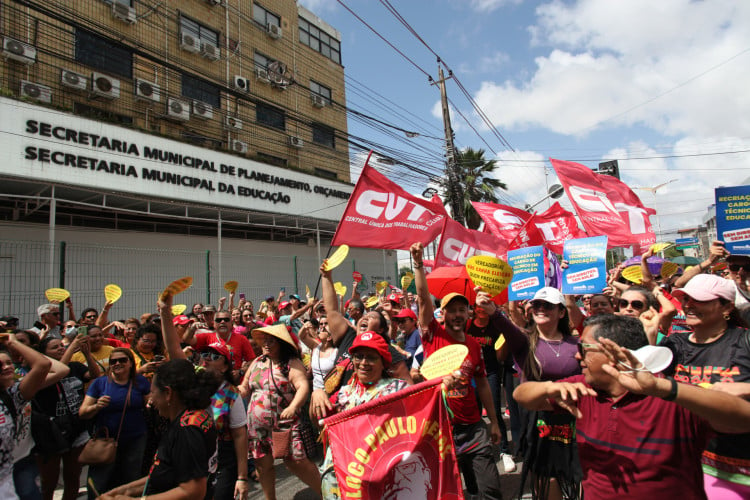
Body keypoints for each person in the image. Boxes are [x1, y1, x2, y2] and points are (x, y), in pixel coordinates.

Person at [514, 313, 750, 500]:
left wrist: (665, 389)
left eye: (583, 349)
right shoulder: (582, 388)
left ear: (615, 353)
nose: (577, 357)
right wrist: (547, 388)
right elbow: (522, 395)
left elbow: (742, 418)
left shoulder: (672, 398)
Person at [410, 242, 504, 500]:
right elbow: (421, 297)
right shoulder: (432, 334)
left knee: (489, 490)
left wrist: (494, 422)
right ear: (443, 314)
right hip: (440, 427)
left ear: (469, 313)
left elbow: (483, 384)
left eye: (462, 309)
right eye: (451, 310)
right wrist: (418, 264)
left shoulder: (474, 345)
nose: (457, 314)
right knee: (451, 492)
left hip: (473, 427)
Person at [661, 273, 750, 498]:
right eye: (686, 299)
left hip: (741, 465)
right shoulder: (674, 344)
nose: (688, 305)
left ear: (727, 307)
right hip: (689, 464)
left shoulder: (745, 342)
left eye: (699, 300)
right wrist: (650, 334)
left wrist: (745, 389)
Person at [100, 359, 220, 499]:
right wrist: (123, 491)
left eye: (153, 392)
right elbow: (163, 473)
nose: (151, 399)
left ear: (168, 393)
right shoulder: (191, 417)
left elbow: (193, 491)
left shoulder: (187, 430)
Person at [506, 286, 582, 499]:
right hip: (538, 420)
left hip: (573, 418)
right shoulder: (525, 341)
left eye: (547, 305)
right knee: (546, 477)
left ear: (561, 312)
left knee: (578, 474)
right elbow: (505, 321)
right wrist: (495, 308)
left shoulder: (577, 344)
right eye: (537, 304)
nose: (540, 308)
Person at [320, 331, 408, 499]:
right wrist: (318, 394)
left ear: (383, 362)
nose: (363, 363)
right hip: (343, 478)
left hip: (379, 479)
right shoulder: (343, 393)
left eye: (371, 357)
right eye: (359, 356)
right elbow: (320, 418)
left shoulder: (398, 390)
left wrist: (442, 386)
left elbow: (423, 405)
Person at [240, 324, 321, 499]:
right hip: (258, 427)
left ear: (282, 343)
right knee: (262, 464)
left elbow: (302, 387)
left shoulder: (291, 363)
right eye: (264, 341)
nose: (267, 344)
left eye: (272, 341)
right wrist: (236, 390)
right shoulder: (257, 362)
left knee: (296, 462)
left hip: (284, 425)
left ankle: (327, 492)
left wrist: (293, 407)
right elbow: (245, 386)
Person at [79, 348, 151, 499]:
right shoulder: (100, 383)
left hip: (135, 438)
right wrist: (96, 406)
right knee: (99, 481)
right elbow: (83, 412)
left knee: (131, 479)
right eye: (113, 361)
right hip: (106, 440)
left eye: (122, 360)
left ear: (131, 363)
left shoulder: (141, 382)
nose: (118, 363)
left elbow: (149, 405)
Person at [33, 335, 99, 500]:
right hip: (51, 432)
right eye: (55, 347)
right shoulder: (40, 372)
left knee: (73, 477)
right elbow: (60, 371)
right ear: (44, 353)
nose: (61, 348)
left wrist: (87, 354)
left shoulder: (75, 366)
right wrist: (72, 347)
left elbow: (94, 374)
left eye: (62, 345)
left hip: (76, 427)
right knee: (49, 481)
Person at [0, 333, 51, 499]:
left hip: (10, 477)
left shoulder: (11, 396)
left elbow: (43, 364)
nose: (6, 367)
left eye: (8, 363)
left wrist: (13, 343)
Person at [183, 310, 255, 378]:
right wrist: (192, 328)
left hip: (233, 382)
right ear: (214, 324)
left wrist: (240, 372)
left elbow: (252, 361)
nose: (222, 322)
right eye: (218, 320)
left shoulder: (242, 339)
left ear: (231, 323)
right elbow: (187, 340)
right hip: (211, 380)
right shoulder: (207, 337)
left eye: (226, 320)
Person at [299, 316, 338, 391]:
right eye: (321, 324)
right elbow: (302, 336)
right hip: (316, 393)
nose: (322, 327)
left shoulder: (336, 352)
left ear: (329, 337)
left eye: (326, 324)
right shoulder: (316, 346)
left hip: (330, 393)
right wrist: (304, 327)